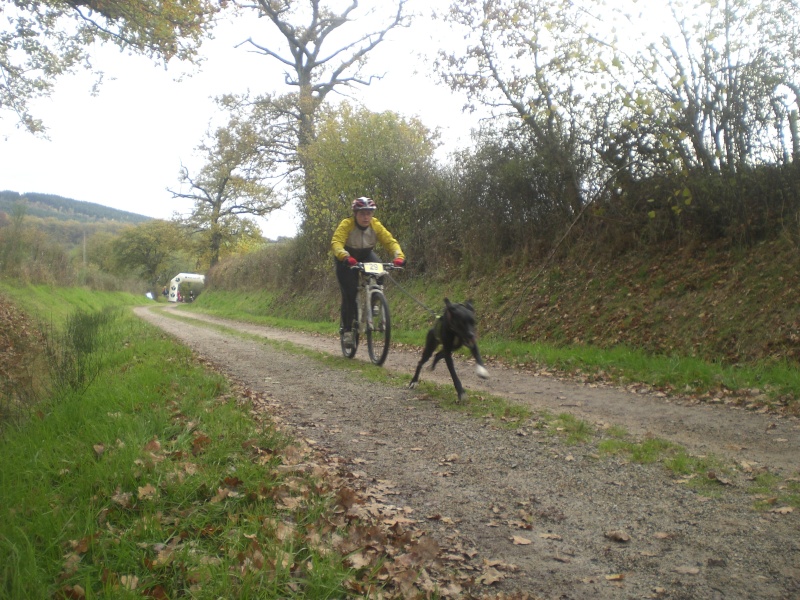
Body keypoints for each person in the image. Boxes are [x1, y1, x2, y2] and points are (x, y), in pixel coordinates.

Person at [331, 197, 406, 348]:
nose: (366, 217)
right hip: (346, 258)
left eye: (369, 213)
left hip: (365, 255)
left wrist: (399, 256)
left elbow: (390, 241)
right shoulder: (347, 224)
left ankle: (374, 301)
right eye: (362, 213)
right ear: (355, 214)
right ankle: (347, 331)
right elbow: (336, 242)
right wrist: (344, 256)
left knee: (380, 271)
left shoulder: (375, 225)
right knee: (350, 294)